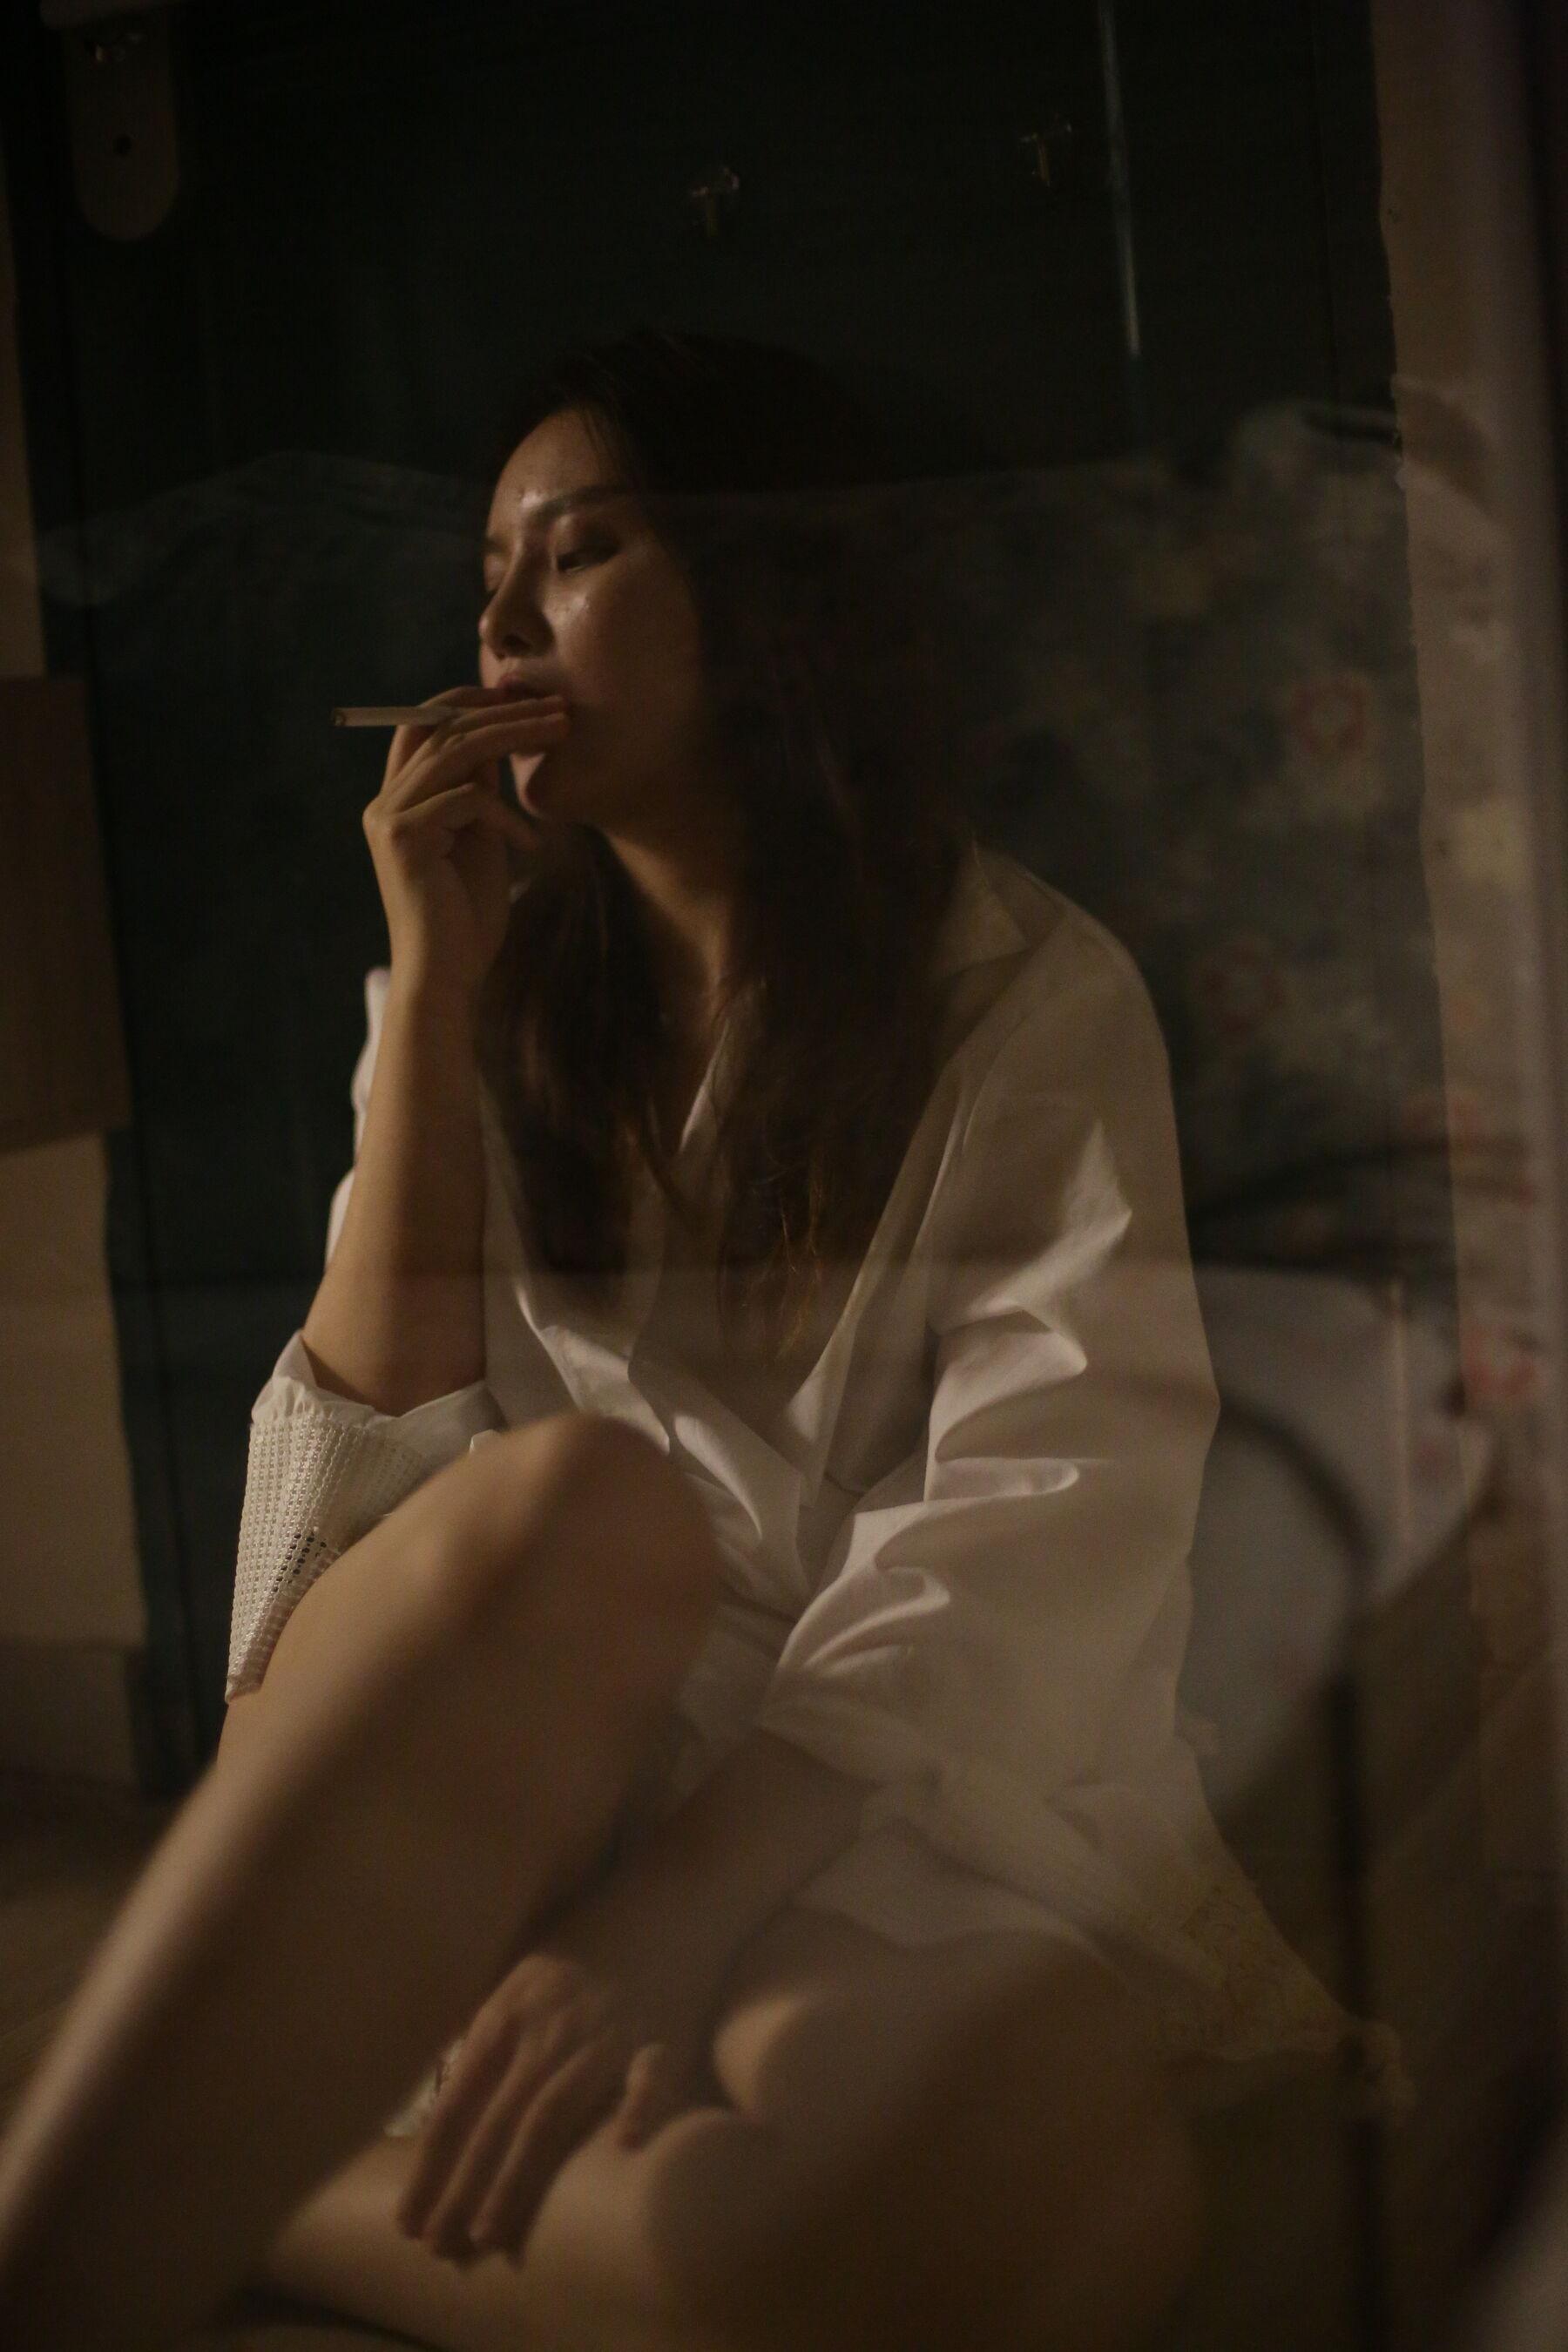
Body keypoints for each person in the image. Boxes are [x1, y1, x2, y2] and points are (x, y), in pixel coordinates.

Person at [0, 326, 1359, 2352]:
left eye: (579, 553)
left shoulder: (1019, 995)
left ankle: (253, 2200)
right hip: (509, 1761)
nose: (500, 624)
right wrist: (430, 990)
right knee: (588, 1508)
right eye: (489, 576)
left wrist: (674, 1913)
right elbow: (315, 1574)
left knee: (890, 2233)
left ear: (766, 592)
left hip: (861, 1800)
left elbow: (1041, 1517)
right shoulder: (478, 994)